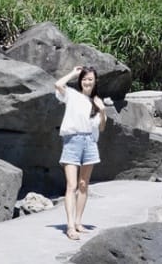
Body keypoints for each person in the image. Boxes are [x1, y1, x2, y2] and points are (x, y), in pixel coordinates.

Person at [54, 65, 107, 240]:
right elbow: (58, 84)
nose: (87, 82)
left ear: (95, 81)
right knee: (72, 185)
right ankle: (70, 226)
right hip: (73, 140)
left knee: (84, 184)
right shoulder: (72, 95)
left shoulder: (97, 101)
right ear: (80, 81)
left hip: (90, 142)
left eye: (90, 79)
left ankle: (78, 222)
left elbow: (102, 127)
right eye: (84, 79)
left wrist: (103, 110)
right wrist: (73, 73)